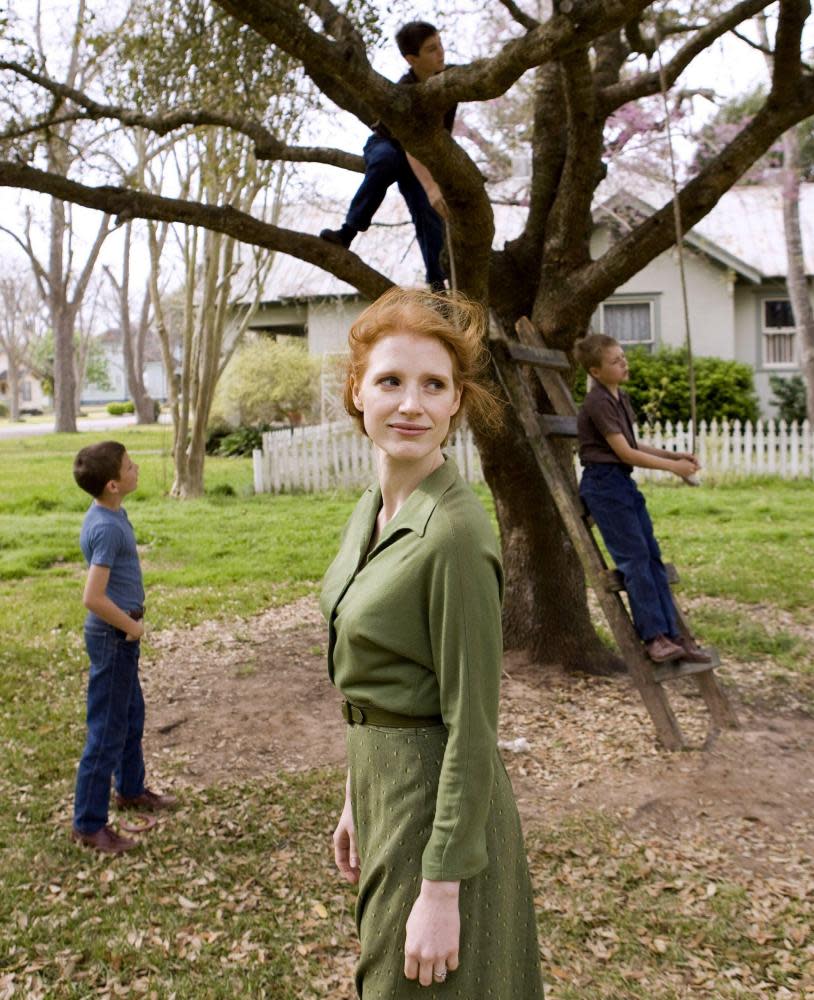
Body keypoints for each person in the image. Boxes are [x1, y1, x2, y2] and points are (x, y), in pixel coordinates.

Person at [320, 287, 545, 997]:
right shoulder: (374, 512)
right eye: (390, 381)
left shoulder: (453, 535)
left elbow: (472, 726)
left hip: (433, 808)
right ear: (359, 392)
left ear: (457, 403)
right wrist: (357, 798)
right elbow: (383, 679)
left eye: (434, 385)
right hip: (383, 787)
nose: (410, 404)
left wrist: (441, 889)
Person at [575, 333, 713, 665]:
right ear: (595, 371)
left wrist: (671, 454)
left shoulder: (619, 397)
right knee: (634, 560)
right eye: (615, 361)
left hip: (622, 483)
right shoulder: (597, 402)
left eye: (623, 357)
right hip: (604, 486)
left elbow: (633, 445)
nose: (624, 363)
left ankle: (674, 636)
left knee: (652, 558)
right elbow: (624, 453)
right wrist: (674, 469)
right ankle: (654, 638)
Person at [71, 441, 176, 854]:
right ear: (113, 484)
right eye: (130, 467)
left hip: (120, 635)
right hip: (114, 636)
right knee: (106, 731)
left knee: (131, 715)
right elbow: (92, 597)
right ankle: (88, 824)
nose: (137, 469)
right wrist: (132, 626)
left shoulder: (111, 512)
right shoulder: (107, 527)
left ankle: (130, 789)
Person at [319, 21, 453, 291]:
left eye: (440, 44)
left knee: (427, 209)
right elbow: (408, 143)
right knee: (388, 161)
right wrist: (430, 185)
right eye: (431, 49)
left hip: (420, 154)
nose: (441, 53)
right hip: (388, 144)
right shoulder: (405, 92)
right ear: (411, 59)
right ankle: (348, 230)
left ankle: (437, 282)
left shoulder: (451, 80)